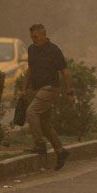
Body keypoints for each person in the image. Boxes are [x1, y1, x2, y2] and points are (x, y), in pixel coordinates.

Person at [23, 23, 74, 168]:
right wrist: (23, 88)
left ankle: (40, 144)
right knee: (44, 123)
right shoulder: (31, 49)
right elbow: (30, 69)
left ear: (44, 35)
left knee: (31, 112)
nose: (34, 40)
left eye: (36, 37)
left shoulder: (53, 50)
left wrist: (70, 92)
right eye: (32, 37)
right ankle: (60, 151)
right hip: (37, 90)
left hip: (50, 88)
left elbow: (65, 72)